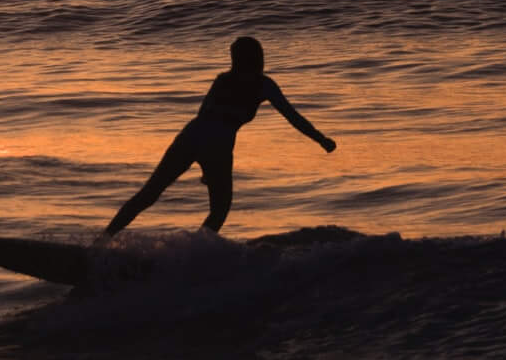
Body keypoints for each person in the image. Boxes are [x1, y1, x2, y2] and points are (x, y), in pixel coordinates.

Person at [104, 35, 335, 236]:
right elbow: (293, 117)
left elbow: (204, 115)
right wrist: (321, 139)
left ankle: (102, 242)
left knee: (149, 194)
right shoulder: (263, 85)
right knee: (219, 209)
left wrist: (206, 164)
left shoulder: (223, 80)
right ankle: (194, 256)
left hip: (191, 136)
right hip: (217, 146)